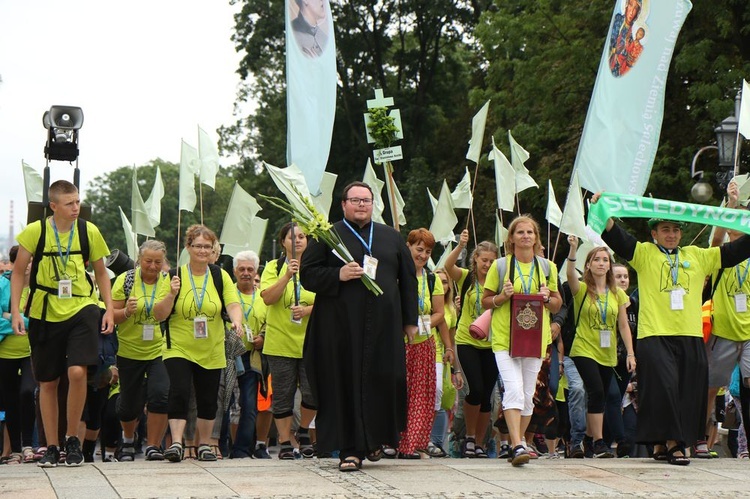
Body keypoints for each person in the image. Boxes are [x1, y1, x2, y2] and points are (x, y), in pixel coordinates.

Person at [593, 192, 750, 465]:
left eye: (676, 229)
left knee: (688, 391)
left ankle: (660, 444)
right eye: (665, 229)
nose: (672, 234)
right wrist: (601, 207)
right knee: (662, 388)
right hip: (655, 334)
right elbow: (616, 235)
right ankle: (675, 444)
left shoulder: (697, 255)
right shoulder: (644, 253)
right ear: (654, 233)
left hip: (689, 335)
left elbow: (735, 251)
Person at [300, 181, 418, 472]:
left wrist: (410, 321)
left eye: (366, 200)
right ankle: (350, 450)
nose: (361, 205)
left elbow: (408, 281)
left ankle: (375, 441)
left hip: (384, 327)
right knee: (346, 383)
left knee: (384, 379)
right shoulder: (327, 236)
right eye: (355, 200)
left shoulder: (391, 237)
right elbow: (308, 275)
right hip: (340, 328)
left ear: (372, 204)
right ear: (343, 205)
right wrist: (337, 274)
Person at [11, 180, 114, 468]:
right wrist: (17, 311)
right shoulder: (36, 231)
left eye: (78, 201)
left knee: (78, 372)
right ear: (53, 206)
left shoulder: (88, 230)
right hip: (45, 312)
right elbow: (19, 272)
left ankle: (72, 439)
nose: (76, 207)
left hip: (82, 306)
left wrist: (106, 308)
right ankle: (52, 446)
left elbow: (102, 274)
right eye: (69, 203)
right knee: (48, 381)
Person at [153, 225, 243, 463]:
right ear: (188, 248)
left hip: (212, 347)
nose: (202, 251)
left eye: (207, 246)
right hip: (178, 346)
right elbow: (159, 314)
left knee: (208, 397)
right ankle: (176, 443)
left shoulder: (219, 275)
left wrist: (236, 321)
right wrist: (171, 294)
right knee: (179, 390)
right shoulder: (174, 275)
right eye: (198, 246)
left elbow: (233, 304)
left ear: (213, 249)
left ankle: (204, 444)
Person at [481, 215, 562, 466]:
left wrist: (548, 298)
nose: (526, 236)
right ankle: (517, 444)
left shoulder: (548, 267)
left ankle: (520, 444)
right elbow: (485, 300)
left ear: (536, 238)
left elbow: (558, 303)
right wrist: (502, 297)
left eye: (530, 232)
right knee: (513, 390)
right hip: (506, 339)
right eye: (520, 232)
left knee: (528, 396)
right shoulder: (501, 266)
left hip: (536, 340)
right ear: (511, 238)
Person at [566, 237, 635, 459]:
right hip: (584, 348)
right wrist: (573, 250)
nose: (601, 263)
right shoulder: (582, 289)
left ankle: (586, 439)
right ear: (588, 265)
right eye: (596, 259)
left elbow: (623, 325)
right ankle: (598, 442)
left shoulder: (618, 294)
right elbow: (569, 275)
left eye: (605, 260)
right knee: (595, 391)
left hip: (608, 352)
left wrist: (631, 353)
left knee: (601, 396)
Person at [701, 180, 750, 458]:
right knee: (710, 388)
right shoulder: (720, 255)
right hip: (722, 331)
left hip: (749, 333)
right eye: (735, 219)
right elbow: (716, 240)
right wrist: (729, 205)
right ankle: (700, 438)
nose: (739, 224)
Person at [110, 240, 172, 462]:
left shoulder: (168, 282)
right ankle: (128, 439)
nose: (153, 266)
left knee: (161, 395)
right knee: (129, 405)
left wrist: (172, 294)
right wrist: (126, 311)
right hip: (129, 350)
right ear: (139, 260)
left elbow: (163, 315)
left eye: (158, 262)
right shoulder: (125, 281)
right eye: (148, 261)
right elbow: (112, 316)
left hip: (159, 349)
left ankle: (153, 446)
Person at [260, 222, 316, 460]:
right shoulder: (273, 267)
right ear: (283, 242)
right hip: (280, 343)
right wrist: (286, 276)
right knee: (282, 394)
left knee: (313, 393)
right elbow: (268, 298)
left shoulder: (316, 266)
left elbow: (330, 299)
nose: (299, 240)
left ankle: (303, 431)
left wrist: (307, 311)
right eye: (293, 237)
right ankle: (284, 441)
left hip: (311, 342)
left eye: (303, 236)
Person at [396, 228, 451, 459]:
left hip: (424, 344)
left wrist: (420, 322)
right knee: (398, 392)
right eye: (419, 249)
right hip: (398, 344)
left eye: (428, 251)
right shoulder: (396, 276)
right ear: (407, 246)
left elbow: (440, 313)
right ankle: (393, 440)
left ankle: (413, 444)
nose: (423, 255)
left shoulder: (431, 279)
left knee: (421, 396)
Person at [444, 229, 498, 458]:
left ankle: (479, 442)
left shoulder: (499, 281)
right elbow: (448, 267)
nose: (487, 264)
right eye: (484, 260)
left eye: (491, 261)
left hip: (492, 343)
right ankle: (468, 436)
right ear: (475, 258)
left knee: (487, 395)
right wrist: (460, 246)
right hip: (467, 340)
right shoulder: (467, 277)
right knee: (474, 389)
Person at [229, 250, 266, 459]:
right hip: (227, 354)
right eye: (241, 269)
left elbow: (271, 323)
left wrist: (263, 338)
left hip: (251, 356)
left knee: (249, 404)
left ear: (256, 271)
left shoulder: (263, 297)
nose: (245, 273)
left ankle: (242, 450)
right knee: (223, 403)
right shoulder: (227, 293)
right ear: (234, 271)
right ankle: (220, 446)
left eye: (250, 269)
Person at [0, 246, 34, 464]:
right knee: (10, 400)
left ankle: (29, 444)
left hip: (32, 352)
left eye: (32, 260)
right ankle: (16, 450)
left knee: (27, 392)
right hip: (5, 352)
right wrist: (19, 320)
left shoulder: (40, 288)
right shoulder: (3, 285)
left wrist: (14, 317)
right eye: (25, 260)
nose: (28, 264)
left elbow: (42, 321)